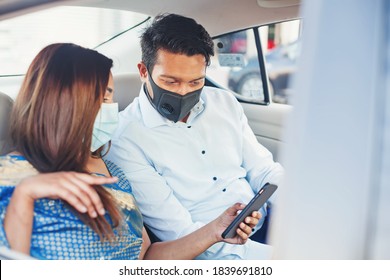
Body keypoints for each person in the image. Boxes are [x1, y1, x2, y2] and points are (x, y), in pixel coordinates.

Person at [0, 43, 261, 260]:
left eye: (109, 97)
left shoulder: (114, 172)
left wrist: (215, 230)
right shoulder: (12, 177)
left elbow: (145, 257)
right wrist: (26, 195)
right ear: (58, 104)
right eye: (98, 99)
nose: (109, 108)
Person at [106, 13, 284, 260]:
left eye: (195, 82)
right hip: (212, 252)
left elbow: (263, 170)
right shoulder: (125, 139)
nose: (183, 92)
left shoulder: (224, 102)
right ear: (144, 71)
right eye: (170, 81)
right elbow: (179, 233)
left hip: (266, 227)